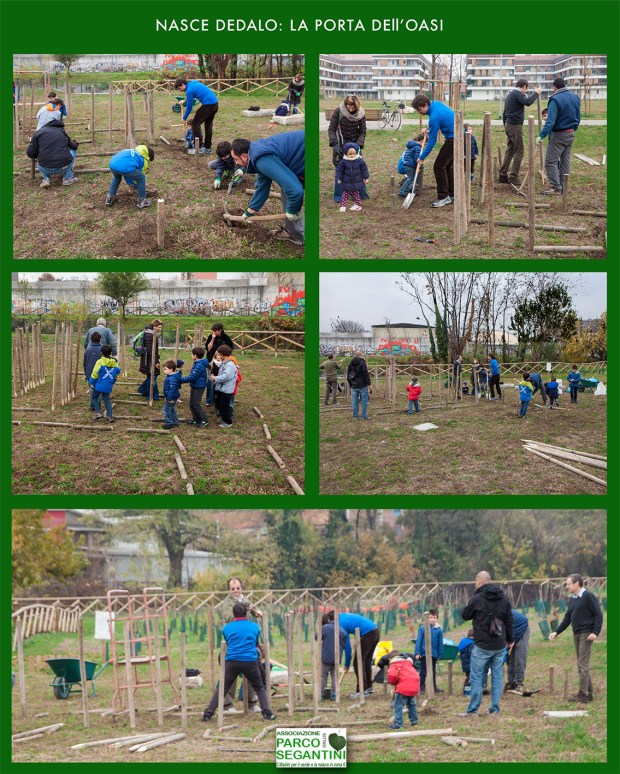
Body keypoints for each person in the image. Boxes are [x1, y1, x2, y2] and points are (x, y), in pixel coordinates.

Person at [202, 603, 276, 722]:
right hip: (250, 661)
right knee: (259, 687)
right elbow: (255, 643)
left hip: (233, 661)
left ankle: (208, 714)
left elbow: (229, 643)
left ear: (233, 613)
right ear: (246, 613)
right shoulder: (254, 627)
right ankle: (267, 713)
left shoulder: (226, 628)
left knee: (222, 688)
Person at [231, 132, 305, 246]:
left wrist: (292, 210)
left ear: (244, 156)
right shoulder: (258, 153)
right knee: (288, 190)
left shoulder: (261, 159)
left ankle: (297, 234)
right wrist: (249, 212)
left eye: (236, 159)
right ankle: (294, 232)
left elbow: (295, 191)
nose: (236, 163)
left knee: (289, 190)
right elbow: (262, 186)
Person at [460, 571, 514, 716]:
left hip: (482, 645)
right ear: (490, 581)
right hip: (499, 645)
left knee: (476, 677)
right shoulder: (504, 598)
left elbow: (465, 615)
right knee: (497, 677)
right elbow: (509, 621)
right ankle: (494, 708)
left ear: (478, 582)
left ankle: (473, 710)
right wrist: (510, 640)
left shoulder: (477, 599)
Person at [549, 574, 603, 703]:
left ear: (577, 583)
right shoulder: (573, 598)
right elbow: (568, 617)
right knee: (581, 663)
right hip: (576, 633)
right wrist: (556, 631)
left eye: (569, 584)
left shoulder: (588, 596)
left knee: (582, 664)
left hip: (586, 633)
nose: (567, 586)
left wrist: (595, 632)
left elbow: (598, 614)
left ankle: (583, 694)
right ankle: (588, 692)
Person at [218, 578, 264, 714]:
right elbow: (228, 618)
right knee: (228, 671)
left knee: (253, 669)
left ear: (241, 588)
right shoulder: (226, 603)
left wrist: (256, 612)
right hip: (232, 641)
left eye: (237, 588)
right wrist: (243, 611)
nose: (235, 591)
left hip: (247, 641)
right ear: (229, 590)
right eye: (233, 589)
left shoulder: (246, 600)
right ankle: (227, 705)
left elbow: (253, 612)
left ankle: (252, 702)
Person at [537, 77, 581, 195]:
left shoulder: (555, 99)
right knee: (565, 161)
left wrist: (541, 135)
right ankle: (563, 186)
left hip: (559, 135)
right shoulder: (575, 97)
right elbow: (578, 117)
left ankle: (556, 188)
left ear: (555, 88)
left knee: (550, 161)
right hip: (571, 133)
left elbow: (550, 121)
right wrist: (573, 129)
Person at [411, 94, 455, 208]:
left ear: (425, 105)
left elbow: (432, 142)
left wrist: (422, 157)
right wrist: (429, 128)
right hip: (459, 137)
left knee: (439, 166)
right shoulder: (435, 104)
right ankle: (452, 194)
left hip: (454, 140)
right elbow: (439, 120)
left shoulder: (434, 116)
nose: (419, 112)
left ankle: (443, 197)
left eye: (419, 109)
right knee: (448, 166)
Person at [498, 79, 542, 185]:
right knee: (519, 151)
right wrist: (536, 93)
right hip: (515, 125)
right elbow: (528, 102)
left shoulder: (510, 94)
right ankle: (513, 177)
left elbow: (505, 113)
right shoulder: (517, 93)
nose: (525, 92)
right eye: (526, 89)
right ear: (524, 87)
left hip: (509, 124)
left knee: (511, 149)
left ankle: (503, 175)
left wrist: (506, 126)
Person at [328, 611, 380, 698]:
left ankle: (361, 690)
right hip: (375, 631)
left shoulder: (340, 624)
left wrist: (347, 665)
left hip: (368, 634)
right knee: (366, 661)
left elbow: (347, 647)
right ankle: (368, 687)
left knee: (358, 662)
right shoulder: (342, 616)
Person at [328, 95, 367, 202]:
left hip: (354, 144)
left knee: (357, 168)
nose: (350, 109)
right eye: (348, 107)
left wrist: (358, 145)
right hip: (340, 143)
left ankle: (361, 193)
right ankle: (339, 196)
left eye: (353, 108)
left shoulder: (361, 114)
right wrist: (334, 144)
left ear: (357, 106)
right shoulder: (339, 112)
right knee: (340, 169)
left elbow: (363, 131)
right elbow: (332, 129)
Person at [26, 117, 78, 188]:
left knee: (43, 157)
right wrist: (75, 143)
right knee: (73, 150)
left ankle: (45, 178)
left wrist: (39, 153)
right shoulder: (62, 132)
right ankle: (67, 178)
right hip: (63, 167)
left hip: (44, 167)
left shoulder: (38, 133)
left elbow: (30, 153)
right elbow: (73, 146)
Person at [175, 78, 219, 155]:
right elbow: (190, 95)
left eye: (179, 88)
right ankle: (208, 148)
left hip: (208, 105)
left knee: (195, 124)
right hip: (215, 104)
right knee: (208, 125)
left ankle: (199, 148)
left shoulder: (189, 90)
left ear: (183, 84)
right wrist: (185, 100)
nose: (180, 90)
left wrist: (184, 118)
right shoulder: (193, 82)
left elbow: (189, 107)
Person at [105, 145, 155, 209]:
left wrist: (130, 183)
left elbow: (128, 173)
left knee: (116, 178)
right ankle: (142, 201)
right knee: (141, 177)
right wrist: (135, 186)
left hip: (113, 164)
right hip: (125, 167)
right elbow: (138, 176)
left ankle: (109, 198)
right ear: (148, 157)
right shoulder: (144, 160)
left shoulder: (133, 151)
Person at [387, 651, 420, 729]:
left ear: (391, 659)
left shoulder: (394, 664)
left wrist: (393, 683)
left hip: (403, 687)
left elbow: (392, 676)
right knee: (411, 704)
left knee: (398, 705)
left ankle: (399, 724)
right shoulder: (408, 663)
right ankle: (414, 722)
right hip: (414, 685)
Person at [414, 609, 444, 693]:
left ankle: (434, 687)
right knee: (423, 671)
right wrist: (417, 652)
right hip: (424, 654)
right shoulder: (422, 629)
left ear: (437, 618)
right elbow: (419, 641)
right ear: (427, 618)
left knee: (433, 671)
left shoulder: (438, 629)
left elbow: (440, 643)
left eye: (434, 617)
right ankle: (422, 687)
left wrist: (440, 654)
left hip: (433, 654)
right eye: (430, 617)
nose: (432, 619)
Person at [205, 324, 235, 406]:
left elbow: (230, 350)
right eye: (213, 331)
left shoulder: (226, 338)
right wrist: (213, 339)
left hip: (222, 363)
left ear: (220, 330)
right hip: (211, 362)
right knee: (210, 381)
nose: (213, 332)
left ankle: (217, 399)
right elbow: (208, 348)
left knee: (219, 380)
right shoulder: (211, 337)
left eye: (215, 331)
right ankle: (209, 400)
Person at [89, 345, 120, 423]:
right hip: (108, 386)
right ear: (111, 353)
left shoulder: (99, 362)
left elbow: (95, 373)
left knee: (94, 398)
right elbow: (117, 375)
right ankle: (110, 416)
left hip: (99, 385)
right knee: (107, 400)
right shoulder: (114, 363)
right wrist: (112, 382)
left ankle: (98, 413)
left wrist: (91, 381)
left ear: (101, 353)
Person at [209, 345, 238, 428]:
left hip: (227, 389)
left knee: (224, 406)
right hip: (221, 388)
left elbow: (226, 376)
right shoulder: (224, 362)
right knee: (219, 404)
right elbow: (221, 374)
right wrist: (216, 381)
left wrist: (215, 378)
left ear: (222, 354)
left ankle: (228, 421)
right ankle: (223, 418)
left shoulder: (230, 365)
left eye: (219, 354)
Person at [335, 142, 369, 212]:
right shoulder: (343, 162)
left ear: (357, 153)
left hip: (356, 181)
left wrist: (366, 178)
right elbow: (339, 170)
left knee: (356, 194)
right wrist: (339, 178)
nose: (352, 155)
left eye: (354, 154)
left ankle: (358, 205)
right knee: (345, 194)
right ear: (346, 154)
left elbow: (364, 170)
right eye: (350, 154)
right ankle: (343, 206)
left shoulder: (360, 161)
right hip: (346, 181)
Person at [181, 346, 209, 428]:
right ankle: (196, 419)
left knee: (196, 403)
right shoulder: (197, 363)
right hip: (195, 385)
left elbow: (193, 377)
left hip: (199, 387)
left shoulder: (199, 365)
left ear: (195, 355)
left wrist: (181, 380)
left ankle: (204, 420)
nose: (191, 356)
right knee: (191, 403)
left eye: (192, 354)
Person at [320, 613, 346, 700]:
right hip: (336, 658)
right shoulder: (341, 629)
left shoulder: (325, 628)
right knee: (335, 676)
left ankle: (321, 694)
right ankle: (333, 694)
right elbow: (344, 641)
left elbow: (317, 637)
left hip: (326, 658)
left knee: (323, 676)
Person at [137, 320, 163, 401]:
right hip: (148, 360)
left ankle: (142, 390)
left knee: (151, 376)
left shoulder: (152, 334)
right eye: (159, 327)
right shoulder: (149, 335)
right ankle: (152, 395)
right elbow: (150, 350)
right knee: (152, 376)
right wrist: (155, 361)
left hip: (150, 358)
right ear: (154, 326)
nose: (160, 329)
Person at [505, 610, 530, 692]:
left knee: (520, 658)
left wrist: (512, 640)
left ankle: (519, 683)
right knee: (510, 659)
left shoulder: (503, 614)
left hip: (522, 629)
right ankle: (511, 682)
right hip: (511, 631)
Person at [347, 351, 371, 420]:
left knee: (354, 401)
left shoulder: (350, 364)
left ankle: (355, 416)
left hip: (354, 385)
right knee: (364, 401)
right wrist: (369, 384)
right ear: (360, 355)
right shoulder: (362, 363)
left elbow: (348, 376)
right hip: (362, 385)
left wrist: (351, 384)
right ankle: (364, 416)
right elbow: (365, 374)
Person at [84, 331, 102, 411]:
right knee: (99, 389)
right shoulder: (102, 349)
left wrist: (86, 373)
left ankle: (91, 404)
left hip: (90, 373)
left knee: (91, 388)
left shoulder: (88, 349)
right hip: (100, 373)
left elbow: (85, 363)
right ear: (100, 339)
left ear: (91, 339)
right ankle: (97, 403)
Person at [162, 359, 182, 429]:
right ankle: (175, 422)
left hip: (171, 397)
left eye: (165, 369)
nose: (164, 371)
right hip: (173, 397)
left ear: (171, 369)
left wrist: (169, 398)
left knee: (166, 410)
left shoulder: (172, 378)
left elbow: (172, 389)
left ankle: (169, 422)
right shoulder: (171, 376)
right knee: (172, 409)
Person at [458, 629, 475, 694]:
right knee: (471, 678)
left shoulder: (463, 641)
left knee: (468, 677)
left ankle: (466, 691)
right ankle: (468, 692)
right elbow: (471, 653)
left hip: (465, 665)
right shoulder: (472, 643)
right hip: (471, 664)